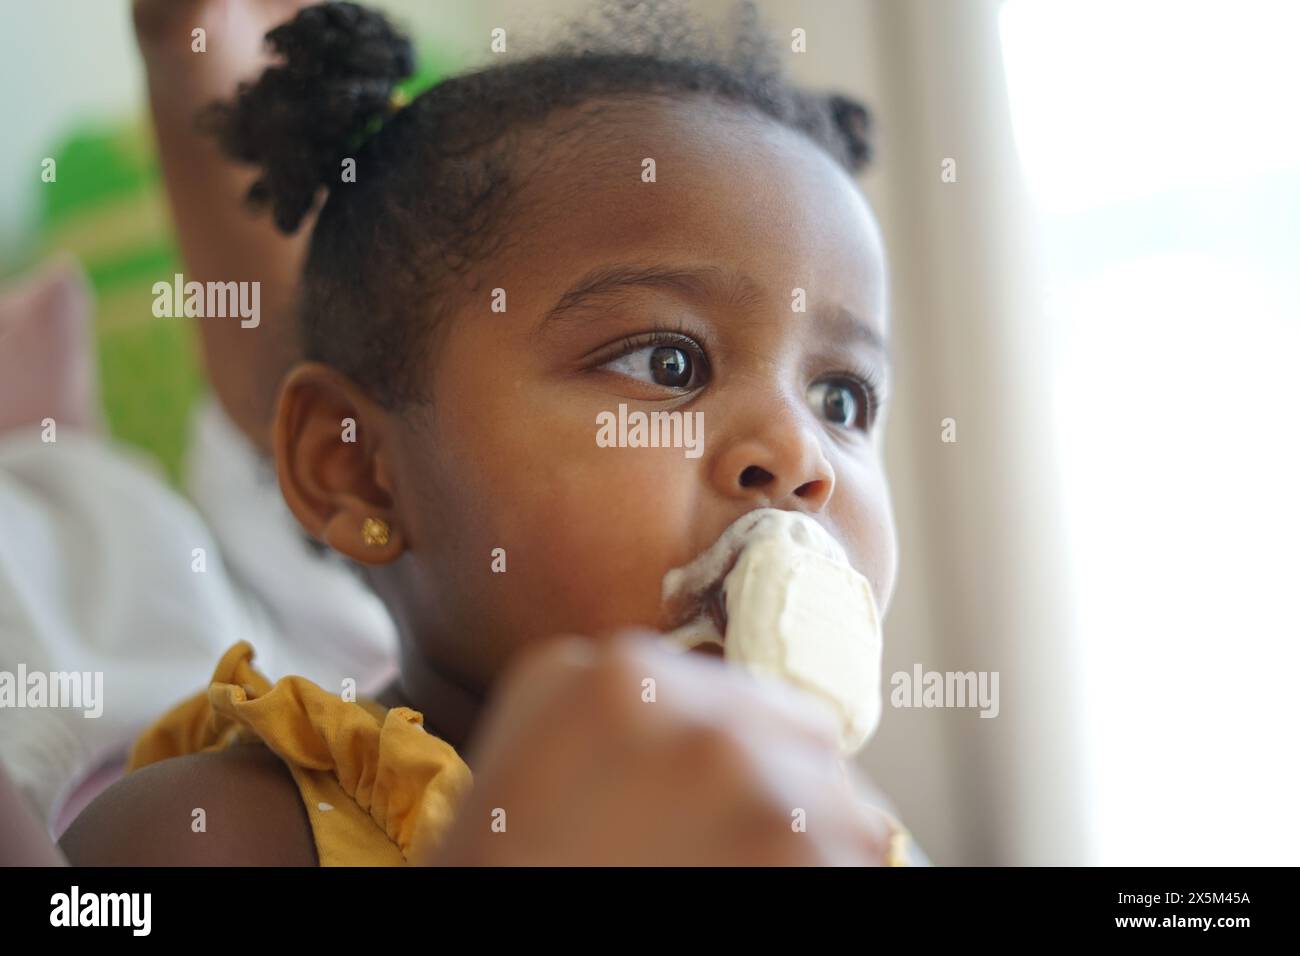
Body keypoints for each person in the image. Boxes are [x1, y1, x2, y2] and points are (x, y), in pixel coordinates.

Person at [58, 0, 913, 866]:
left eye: (840, 400)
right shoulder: (212, 831)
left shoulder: (848, 836)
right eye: (667, 364)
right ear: (359, 472)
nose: (801, 456)